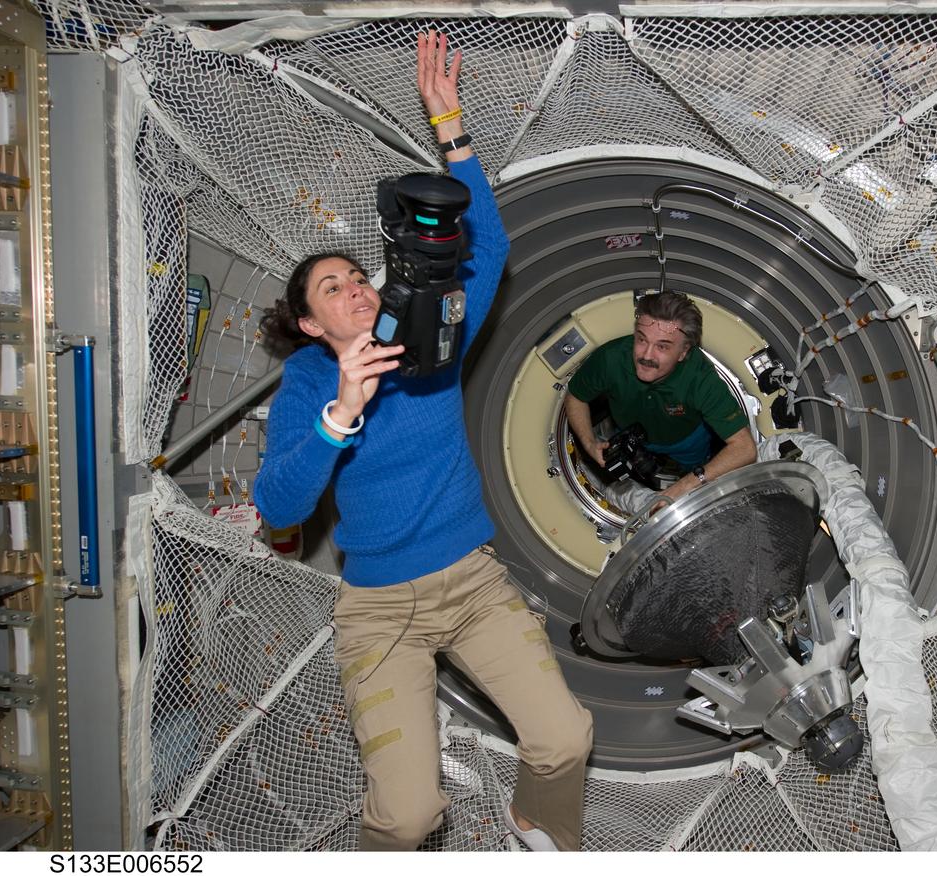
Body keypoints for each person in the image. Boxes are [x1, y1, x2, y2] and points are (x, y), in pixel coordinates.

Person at [254, 31, 592, 853]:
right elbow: (277, 506)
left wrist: (450, 124)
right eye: (333, 288)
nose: (356, 288)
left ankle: (530, 833)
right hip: (379, 615)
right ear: (309, 324)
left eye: (359, 275)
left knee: (566, 739)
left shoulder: (426, 336)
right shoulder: (307, 385)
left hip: (472, 584)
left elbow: (495, 250)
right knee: (409, 816)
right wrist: (340, 413)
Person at [565, 291, 757, 503]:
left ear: (684, 352)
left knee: (696, 467)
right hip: (629, 431)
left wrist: (681, 487)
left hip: (687, 441)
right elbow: (575, 397)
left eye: (662, 346)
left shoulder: (700, 379)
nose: (646, 355)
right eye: (641, 339)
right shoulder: (610, 359)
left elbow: (745, 448)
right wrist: (589, 443)